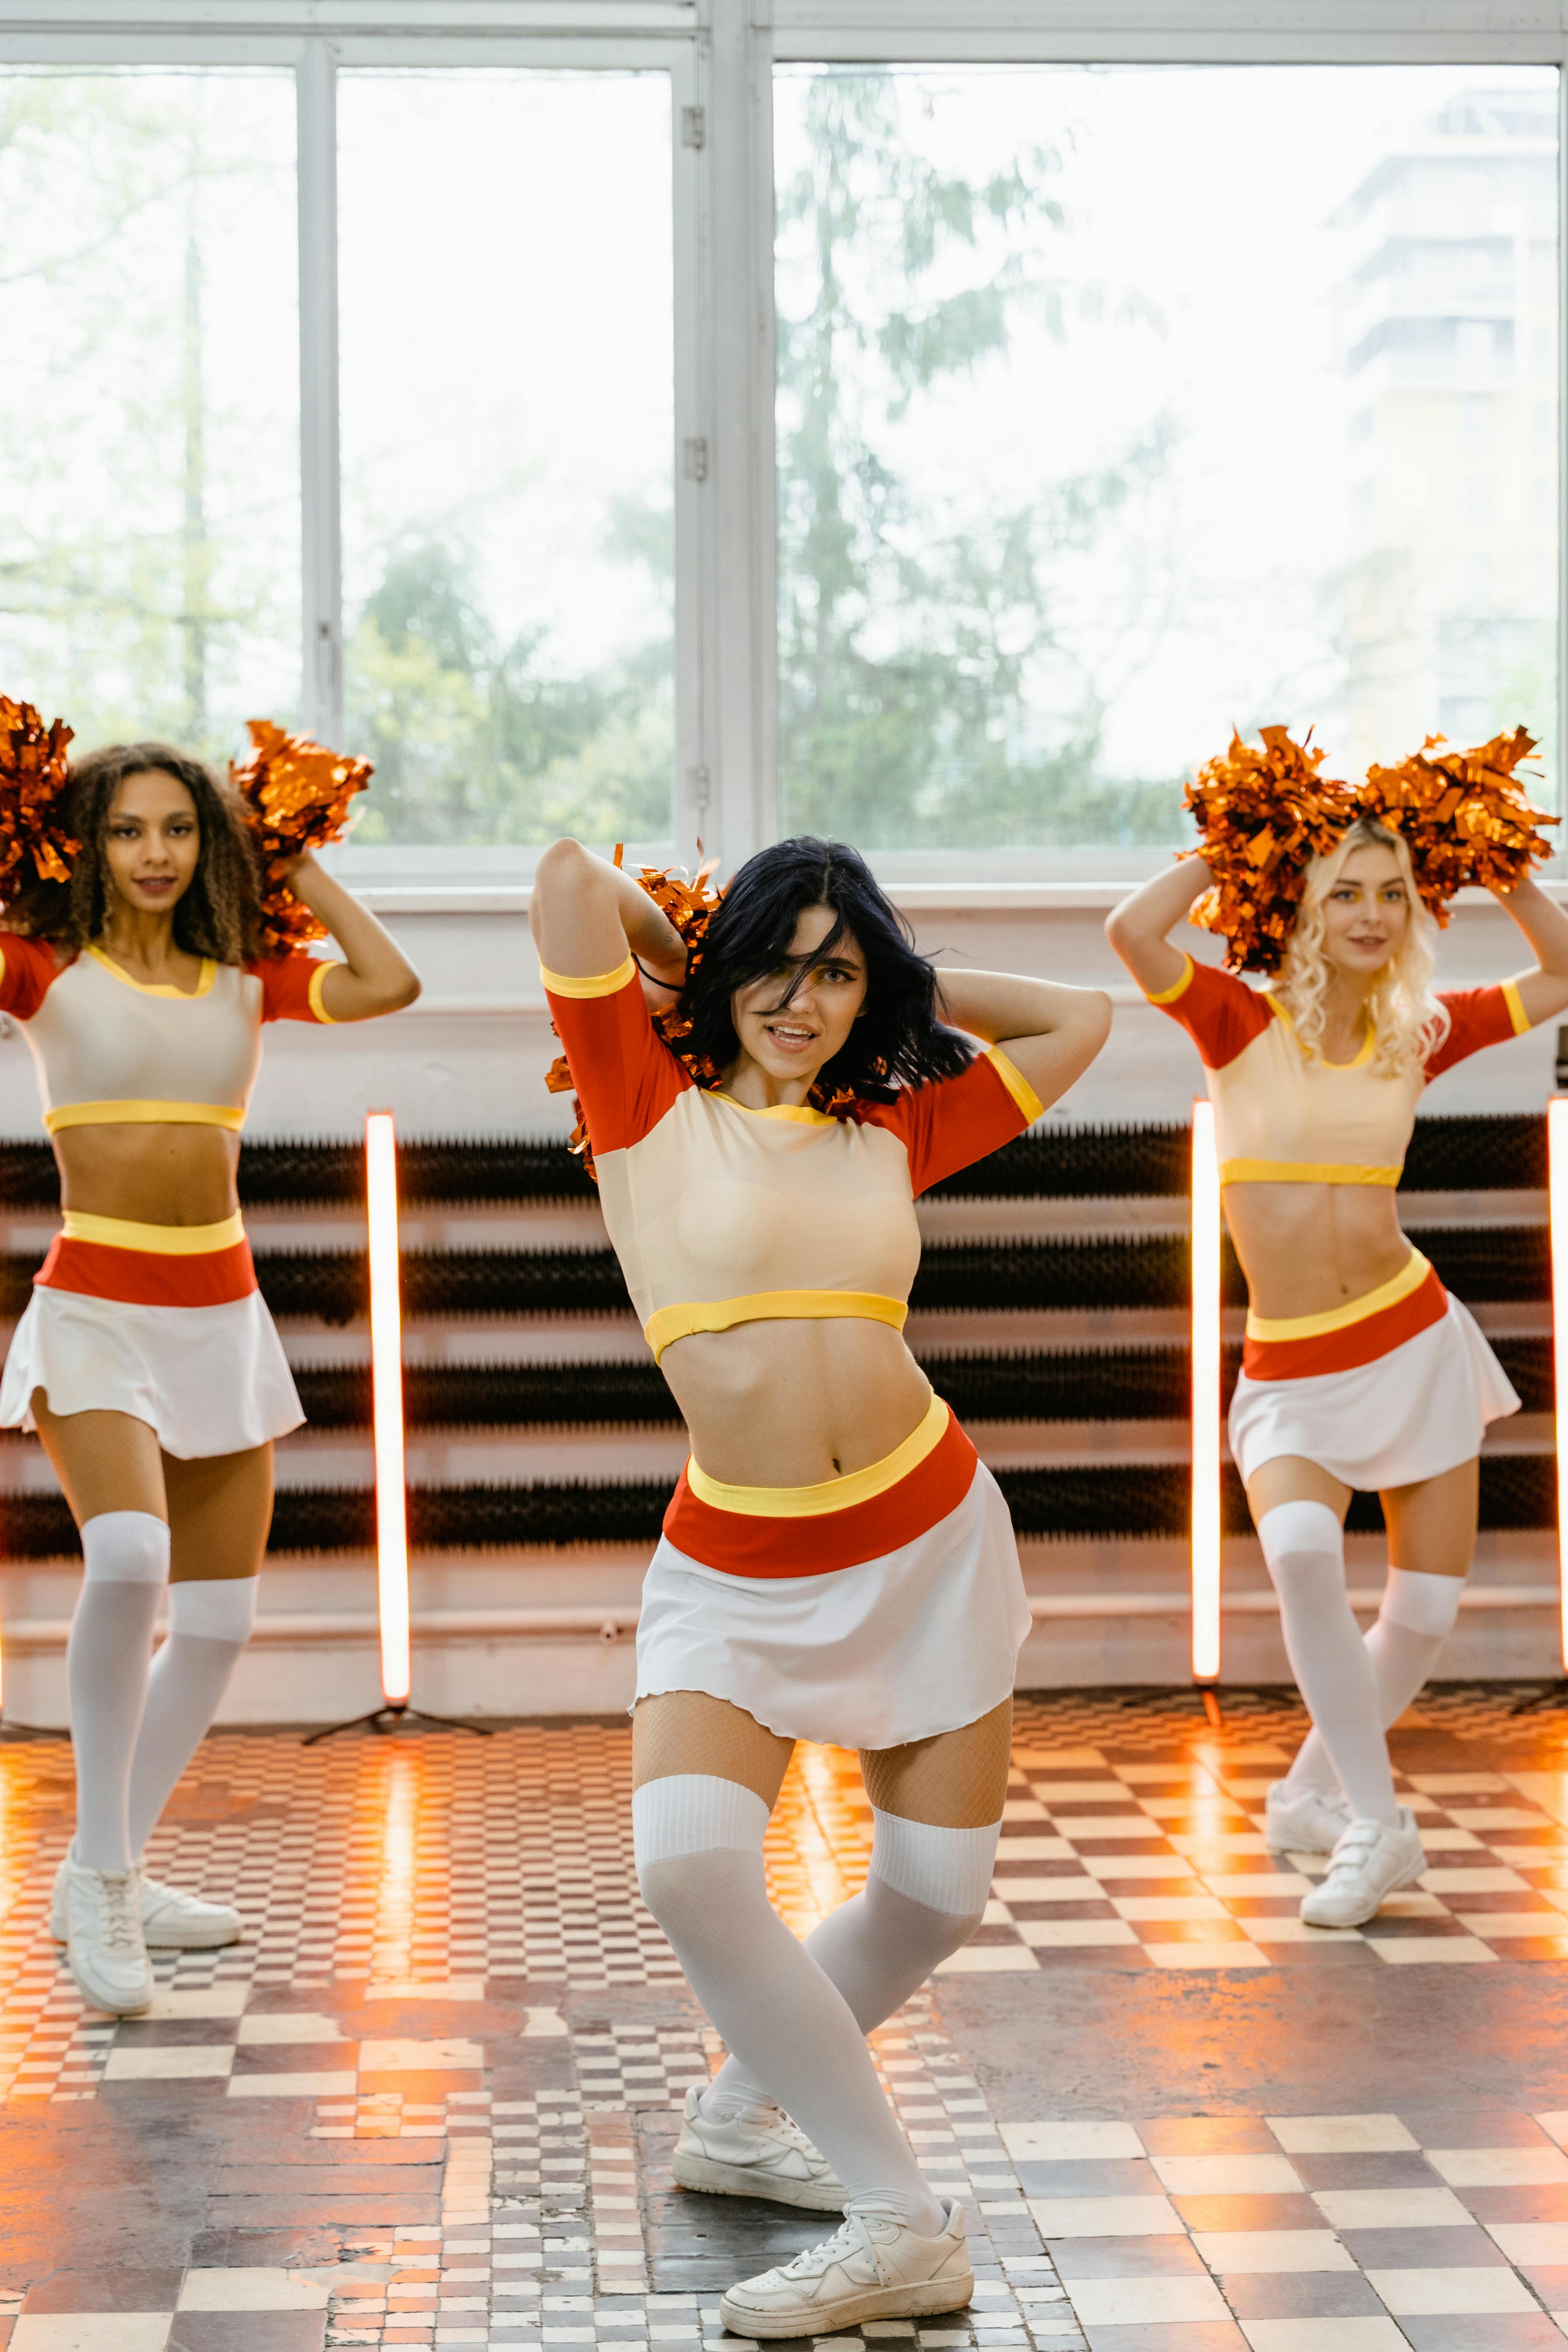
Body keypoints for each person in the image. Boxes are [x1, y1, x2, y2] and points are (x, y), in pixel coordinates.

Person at [531, 832, 1109, 2338]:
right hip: (735, 1566)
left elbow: (1081, 1020)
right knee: (689, 1870)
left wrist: (903, 976)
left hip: (927, 1537)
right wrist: (686, 955)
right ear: (723, 977)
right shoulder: (642, 1105)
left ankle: (739, 2120)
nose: (801, 998)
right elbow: (561, 879)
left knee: (933, 1898)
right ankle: (899, 2220)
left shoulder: (896, 1131)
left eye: (834, 973)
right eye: (774, 967)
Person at [0, 739, 420, 2014]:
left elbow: (390, 980)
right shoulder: (44, 972)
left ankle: (103, 1863)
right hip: (94, 1311)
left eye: (180, 829)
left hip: (219, 1313)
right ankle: (111, 1887)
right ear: (91, 842)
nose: (155, 854)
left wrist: (292, 857)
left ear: (209, 846)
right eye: (127, 830)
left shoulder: (247, 980)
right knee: (129, 1559)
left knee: (224, 1621)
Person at [1107, 813, 1568, 1926]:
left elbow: (1563, 971)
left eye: (1392, 895)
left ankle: (1314, 1794)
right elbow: (1131, 932)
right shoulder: (1236, 1018)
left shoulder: (1424, 1030)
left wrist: (1503, 869)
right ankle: (1381, 1823)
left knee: (1424, 1606)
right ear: (1304, 911)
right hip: (1292, 1369)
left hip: (1412, 1342)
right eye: (1345, 893)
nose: (1370, 915)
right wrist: (1244, 842)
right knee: (1304, 1554)